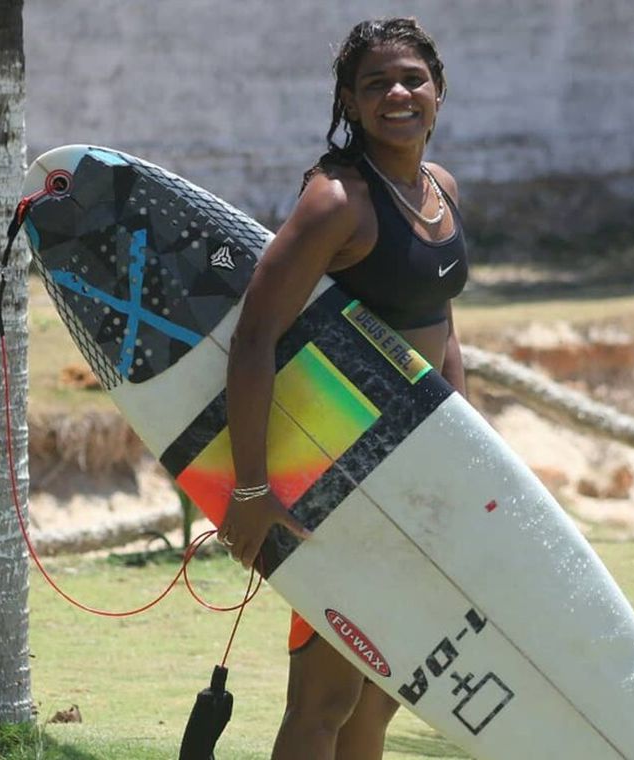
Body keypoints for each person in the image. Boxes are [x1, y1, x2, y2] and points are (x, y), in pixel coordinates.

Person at [216, 17, 469, 760]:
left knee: (384, 690)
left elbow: (443, 325)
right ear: (351, 103)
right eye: (376, 84)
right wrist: (254, 488)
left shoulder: (441, 190)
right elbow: (255, 337)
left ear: (438, 91)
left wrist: (468, 450)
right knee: (324, 697)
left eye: (412, 79)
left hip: (416, 475)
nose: (398, 93)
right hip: (341, 476)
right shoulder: (337, 200)